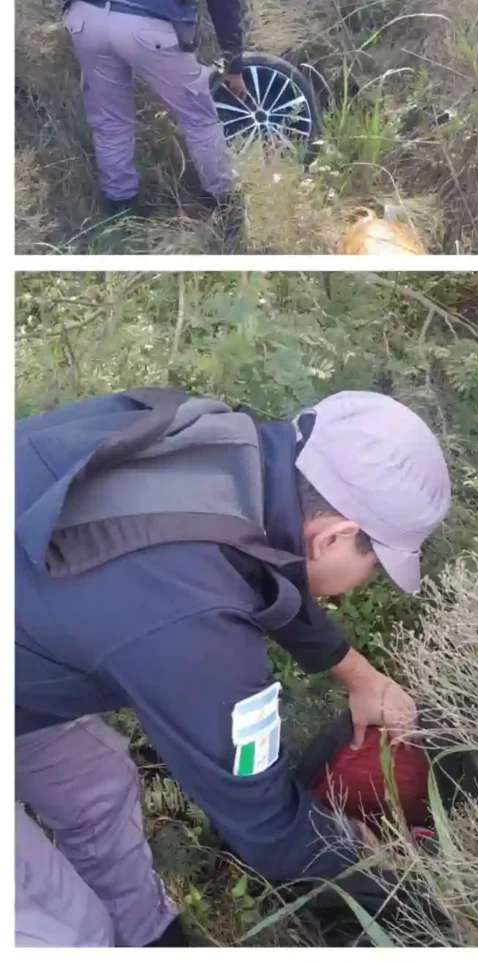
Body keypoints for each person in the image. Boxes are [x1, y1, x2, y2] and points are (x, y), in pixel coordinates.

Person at [15, 387, 452, 946]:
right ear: (337, 537)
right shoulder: (194, 627)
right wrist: (361, 850)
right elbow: (267, 826)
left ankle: (154, 939)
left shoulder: (222, 439)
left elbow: (259, 563)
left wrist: (358, 673)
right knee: (66, 933)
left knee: (96, 784)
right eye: (375, 565)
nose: (362, 584)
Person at [59, 0, 249, 219]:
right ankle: (224, 202)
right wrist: (234, 64)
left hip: (84, 13)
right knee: (199, 116)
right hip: (147, 23)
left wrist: (72, 7)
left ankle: (120, 208)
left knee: (109, 119)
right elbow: (225, 4)